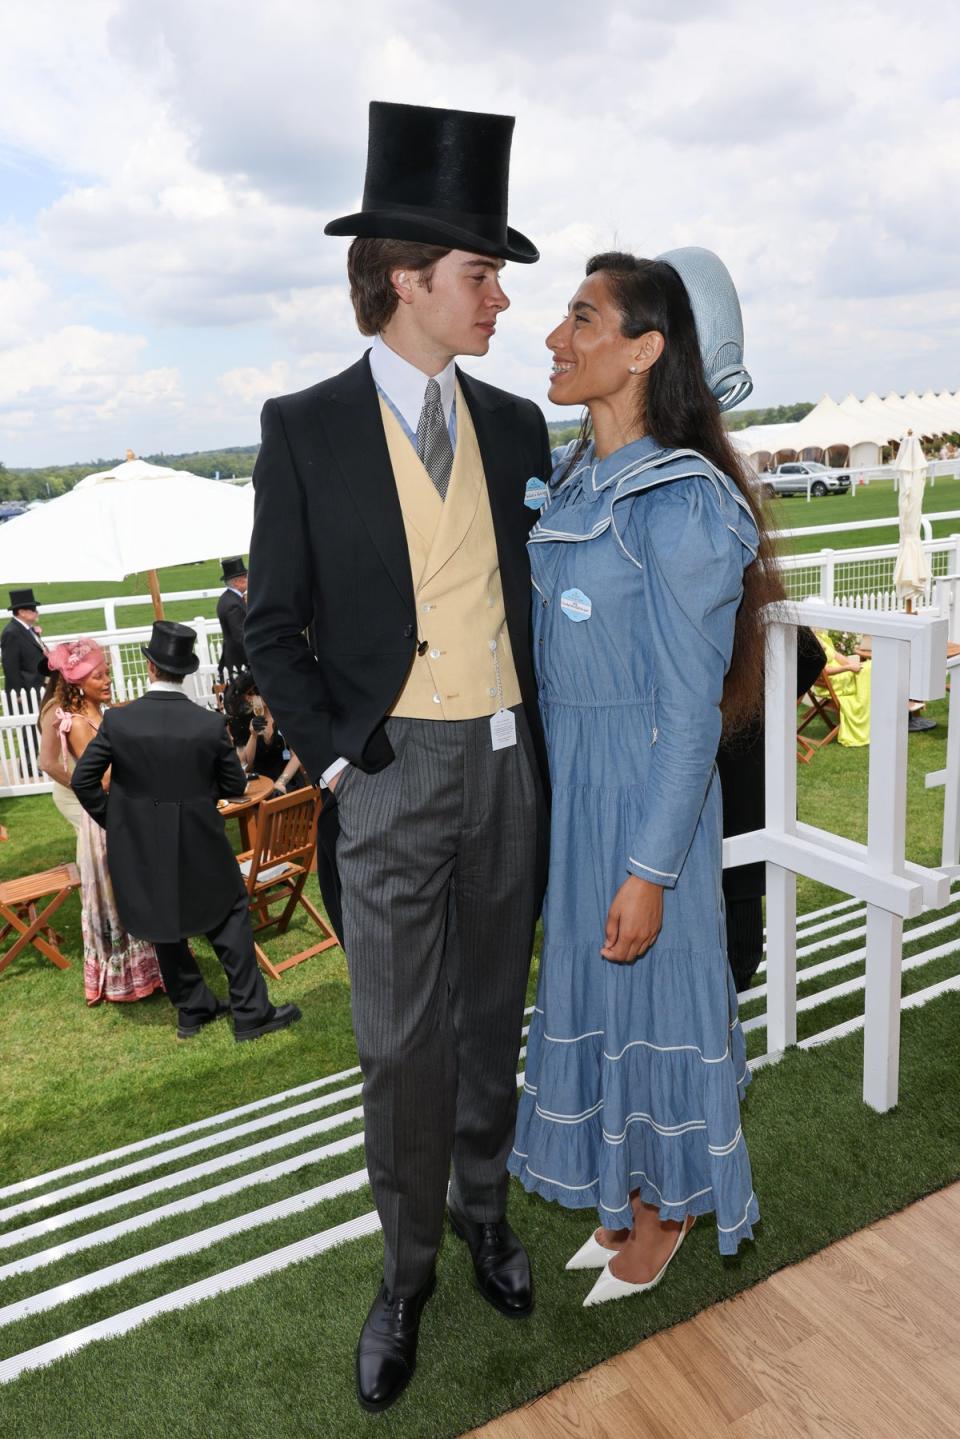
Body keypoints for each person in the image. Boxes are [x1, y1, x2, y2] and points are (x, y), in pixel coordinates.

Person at [244, 101, 550, 1413]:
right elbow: (269, 624)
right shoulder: (303, 426)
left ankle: (485, 1207)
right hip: (387, 779)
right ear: (409, 278)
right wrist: (338, 755)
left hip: (506, 773)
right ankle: (408, 1262)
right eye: (481, 275)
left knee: (492, 1016)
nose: (499, 300)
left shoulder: (523, 428)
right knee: (396, 1043)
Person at [509, 248, 782, 1307]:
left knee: (656, 989)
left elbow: (687, 712)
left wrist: (650, 868)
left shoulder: (683, 504)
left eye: (582, 318)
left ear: (644, 351)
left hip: (642, 796)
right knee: (595, 994)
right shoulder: (579, 476)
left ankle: (666, 1210)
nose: (554, 336)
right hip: (576, 788)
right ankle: (624, 1194)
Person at [72, 620, 301, 1043]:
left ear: (150, 668)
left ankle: (192, 1008)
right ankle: (250, 1013)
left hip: (139, 845)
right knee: (229, 915)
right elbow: (234, 786)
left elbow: (84, 780)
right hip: (200, 839)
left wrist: (119, 823)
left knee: (163, 923)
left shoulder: (120, 722)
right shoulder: (207, 724)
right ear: (185, 671)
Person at [37, 638, 164, 1004]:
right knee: (117, 891)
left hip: (121, 810)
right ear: (77, 682)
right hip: (104, 817)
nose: (108, 680)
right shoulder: (74, 722)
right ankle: (126, 975)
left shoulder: (98, 714)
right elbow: (102, 778)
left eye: (107, 673)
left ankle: (151, 968)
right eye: (99, 676)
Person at [718, 628, 826, 993]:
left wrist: (768, 702)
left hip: (745, 764)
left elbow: (812, 655)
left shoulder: (759, 602)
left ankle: (739, 980)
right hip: (704, 760)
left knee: (742, 880)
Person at [223, 670, 306, 796]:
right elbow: (247, 766)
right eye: (248, 694)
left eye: (256, 691)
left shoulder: (284, 714)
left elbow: (296, 755)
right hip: (260, 783)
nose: (252, 697)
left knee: (281, 798)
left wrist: (281, 782)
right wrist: (253, 736)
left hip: (287, 779)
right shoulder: (243, 721)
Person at [812, 630, 871, 746]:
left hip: (835, 678)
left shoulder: (820, 637)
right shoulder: (813, 643)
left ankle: (868, 715)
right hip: (832, 683)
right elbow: (826, 670)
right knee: (870, 670)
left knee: (868, 667)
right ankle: (864, 714)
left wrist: (852, 665)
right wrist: (849, 668)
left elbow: (836, 655)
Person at [2, 588, 48, 702]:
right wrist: (17, 693)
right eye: (33, 609)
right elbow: (10, 665)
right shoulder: (11, 633)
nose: (37, 612)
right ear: (22, 612)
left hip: (37, 688)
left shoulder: (28, 629)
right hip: (26, 692)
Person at [217, 556, 248, 678]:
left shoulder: (227, 598)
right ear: (236, 582)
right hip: (239, 663)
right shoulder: (233, 604)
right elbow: (240, 637)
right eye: (245, 577)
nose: (248, 579)